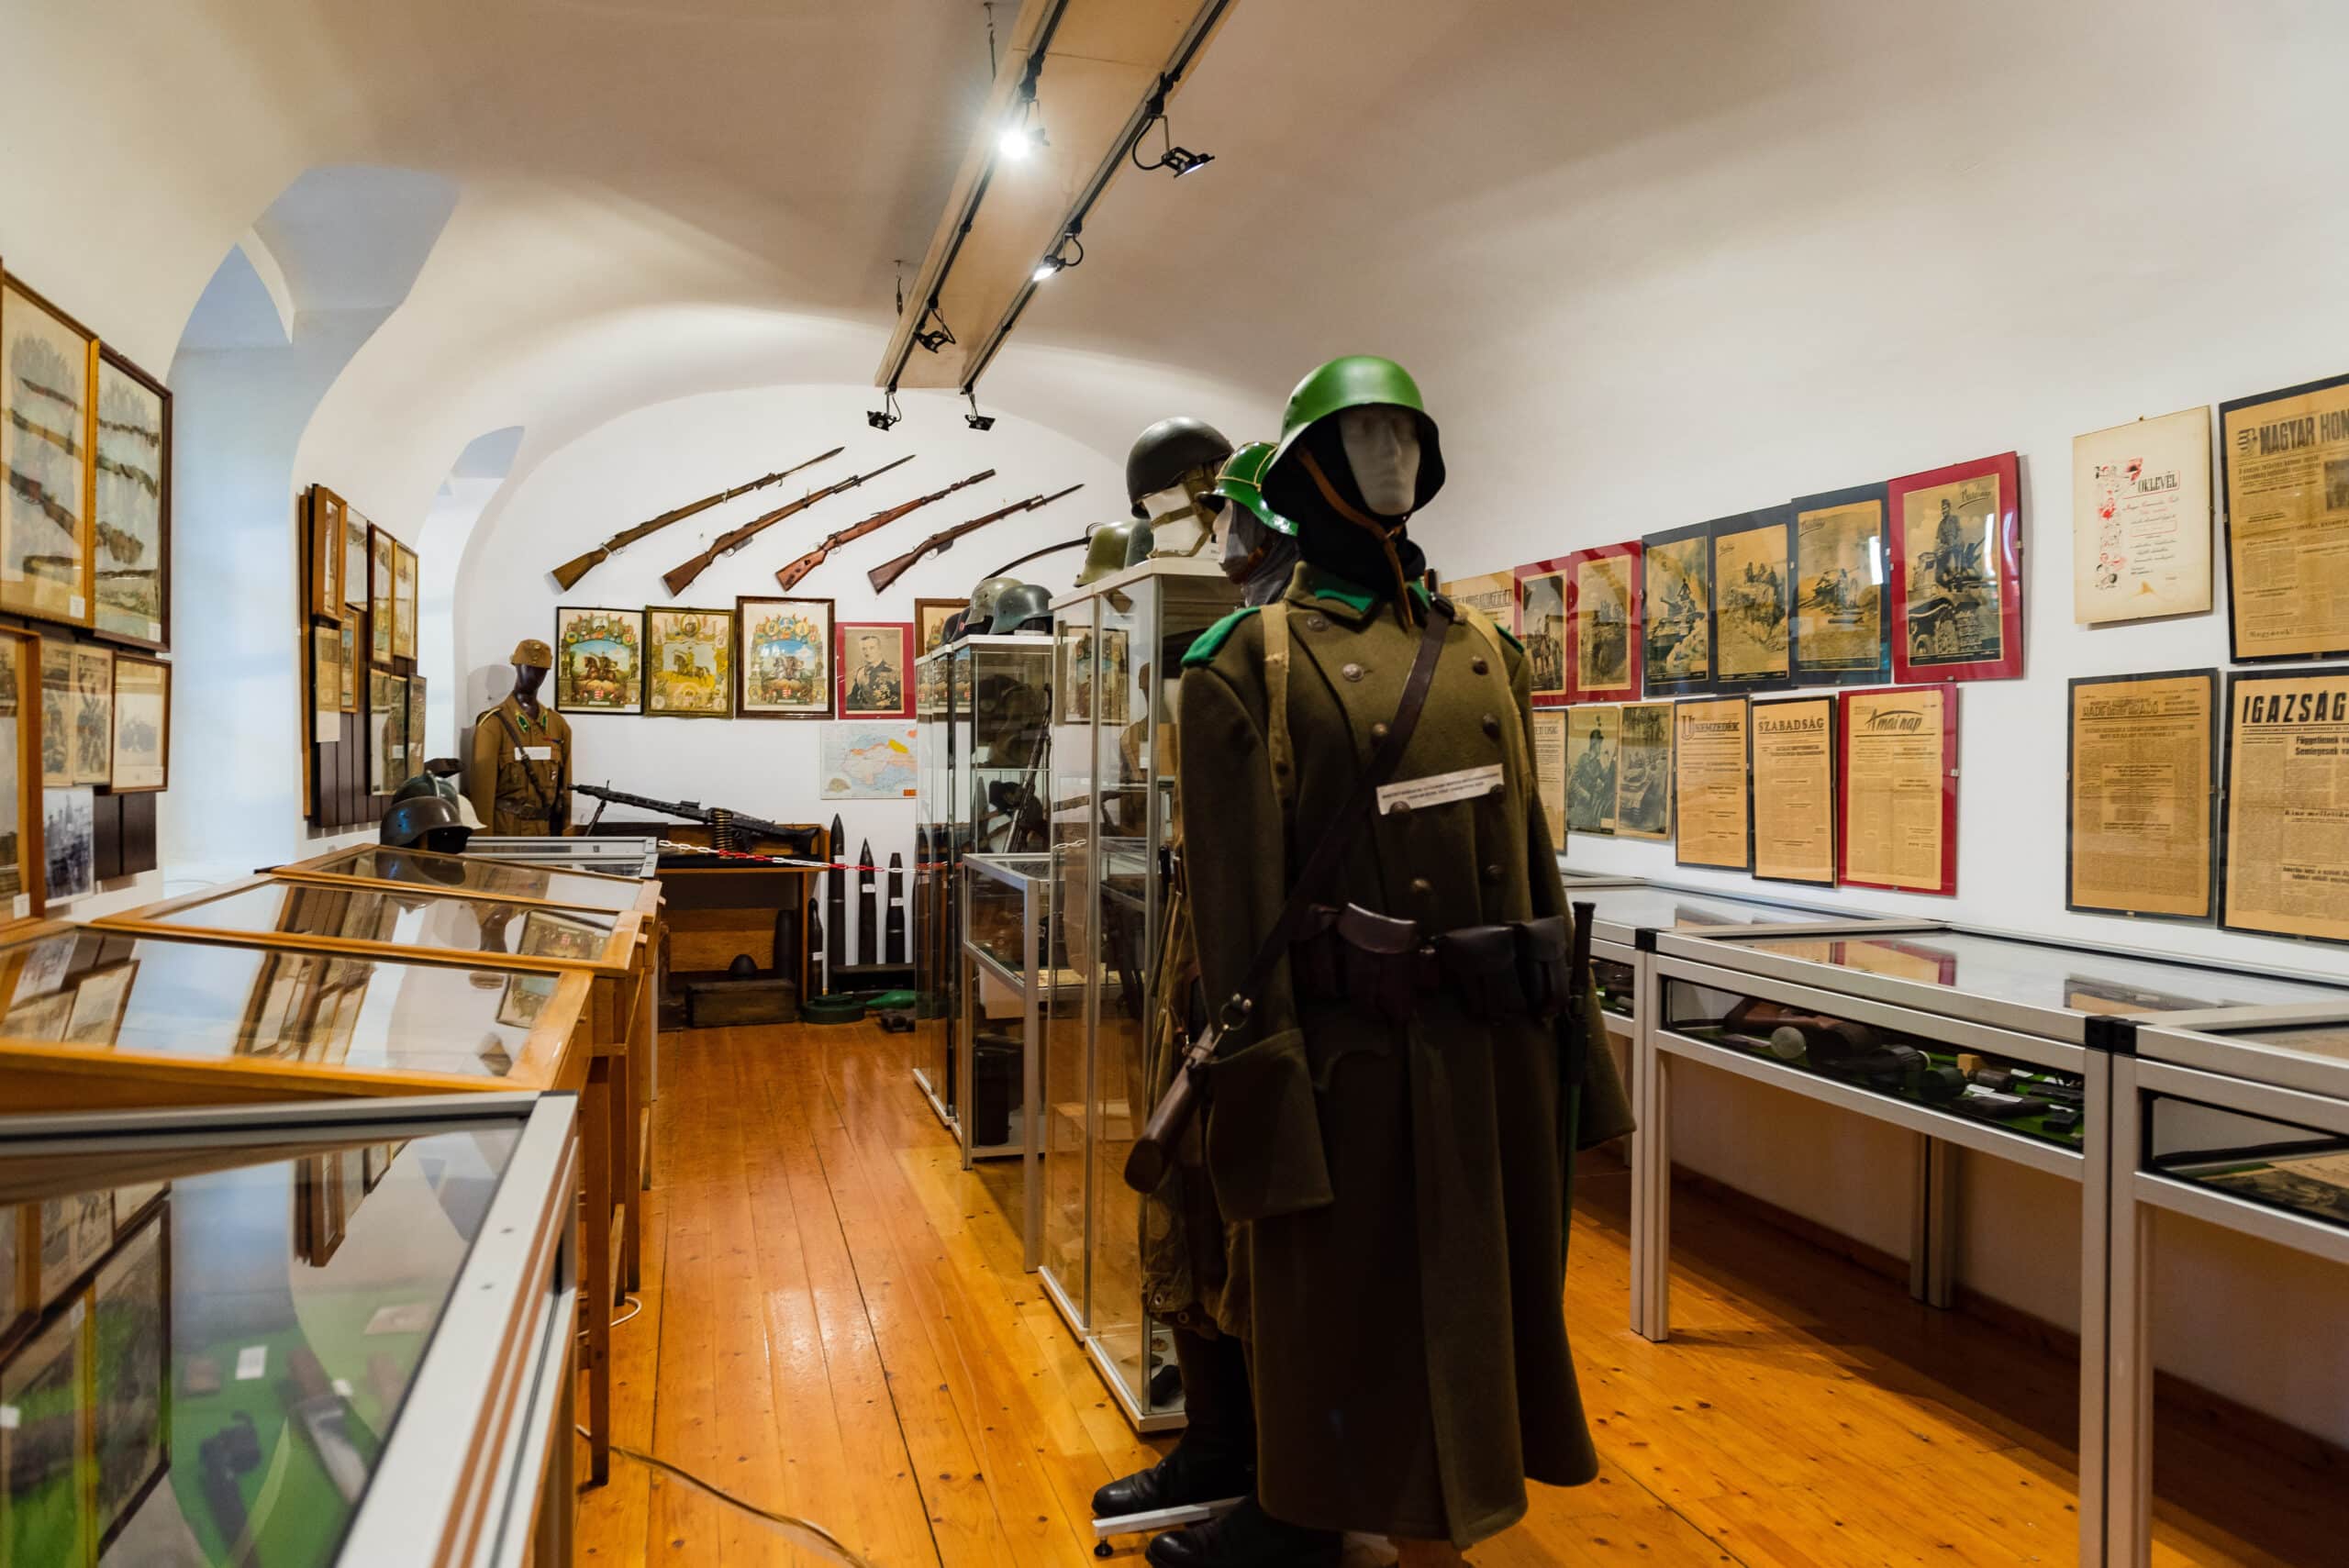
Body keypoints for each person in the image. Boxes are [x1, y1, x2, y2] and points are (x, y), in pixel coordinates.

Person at [1163, 356, 1634, 1565]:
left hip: (1492, 1057)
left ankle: (1439, 1527)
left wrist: (1581, 1059)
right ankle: (1321, 1519)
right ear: (1308, 468)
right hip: (1350, 1066)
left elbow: (1533, 862)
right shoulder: (1243, 663)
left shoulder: (1486, 652)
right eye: (1360, 435)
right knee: (1344, 1319)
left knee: (1480, 1309)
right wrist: (1268, 1115)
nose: (1391, 457)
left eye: (1406, 435)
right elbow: (1235, 920)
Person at [467, 639, 572, 835]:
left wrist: (564, 836)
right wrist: (483, 846)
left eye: (540, 670)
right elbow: (483, 797)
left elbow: (565, 792)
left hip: (544, 836)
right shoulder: (493, 724)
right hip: (506, 834)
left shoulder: (557, 726)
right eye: (527, 668)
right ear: (516, 667)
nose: (533, 675)